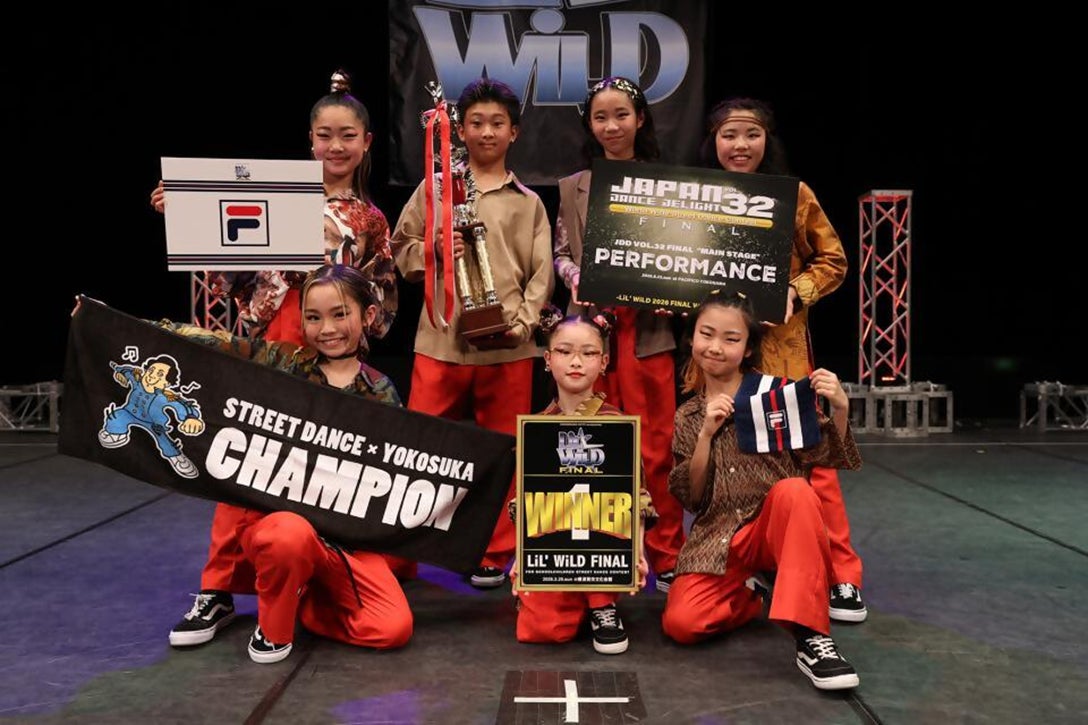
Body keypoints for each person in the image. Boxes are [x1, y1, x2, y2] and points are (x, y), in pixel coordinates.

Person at [135, 264, 412, 664]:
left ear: (367, 315)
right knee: (289, 536)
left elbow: (406, 467)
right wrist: (128, 327)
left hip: (344, 542)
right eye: (313, 318)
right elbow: (215, 344)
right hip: (281, 525)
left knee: (392, 628)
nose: (327, 328)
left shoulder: (381, 390)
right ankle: (275, 628)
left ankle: (309, 604)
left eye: (339, 314)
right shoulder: (284, 363)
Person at [701, 97, 867, 623]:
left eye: (751, 134)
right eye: (729, 135)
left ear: (767, 139)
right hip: (720, 358)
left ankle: (841, 575)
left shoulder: (793, 195)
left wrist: (796, 290)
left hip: (782, 357)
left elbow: (834, 260)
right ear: (713, 141)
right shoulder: (696, 198)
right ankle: (748, 563)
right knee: (732, 465)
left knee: (813, 467)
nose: (740, 145)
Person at [390, 76, 554, 589]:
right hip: (440, 341)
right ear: (459, 130)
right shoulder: (435, 188)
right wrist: (434, 251)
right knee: (419, 447)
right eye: (476, 123)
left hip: (508, 347)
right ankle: (401, 551)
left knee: (506, 453)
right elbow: (401, 249)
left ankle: (494, 550)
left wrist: (522, 327)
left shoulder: (528, 202)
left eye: (497, 123)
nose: (486, 132)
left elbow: (541, 275)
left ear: (514, 132)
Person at [660, 290, 862, 690]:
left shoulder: (777, 393)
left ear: (748, 347)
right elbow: (692, 498)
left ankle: (812, 638)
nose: (715, 347)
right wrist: (705, 436)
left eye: (731, 339)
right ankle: (752, 593)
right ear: (692, 337)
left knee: (795, 491)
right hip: (720, 537)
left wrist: (840, 407)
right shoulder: (688, 414)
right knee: (682, 624)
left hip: (776, 529)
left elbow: (825, 453)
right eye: (706, 334)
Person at [552, 76, 685, 593]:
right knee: (592, 442)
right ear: (590, 124)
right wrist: (576, 276)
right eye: (601, 117)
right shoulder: (574, 186)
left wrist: (672, 288)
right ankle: (600, 552)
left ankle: (666, 552)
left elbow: (685, 256)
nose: (612, 125)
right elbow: (562, 253)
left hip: (649, 332)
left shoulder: (667, 183)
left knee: (657, 448)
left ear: (640, 119)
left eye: (621, 115)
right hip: (591, 332)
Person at [508, 308, 655, 654]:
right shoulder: (536, 427)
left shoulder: (619, 425)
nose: (576, 361)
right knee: (541, 631)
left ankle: (602, 603)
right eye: (564, 351)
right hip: (555, 545)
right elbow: (524, 503)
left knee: (602, 510)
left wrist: (637, 550)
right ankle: (571, 598)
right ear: (548, 359)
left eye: (588, 353)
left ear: (604, 362)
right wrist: (520, 559)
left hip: (604, 539)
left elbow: (639, 497)